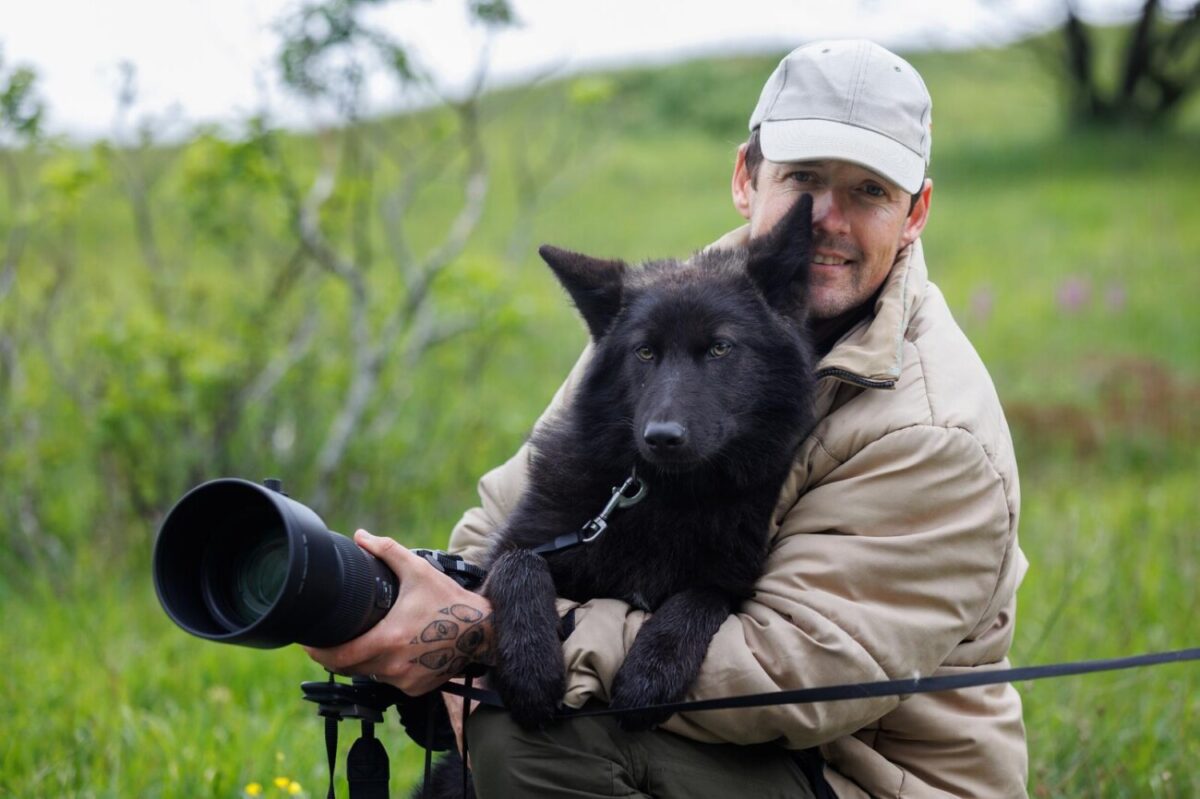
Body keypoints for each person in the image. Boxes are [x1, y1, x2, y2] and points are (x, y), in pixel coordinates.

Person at [307, 39, 1029, 798]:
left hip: (860, 772)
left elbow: (791, 674)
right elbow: (505, 516)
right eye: (804, 179)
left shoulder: (932, 428)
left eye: (870, 192)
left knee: (531, 740)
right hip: (731, 743)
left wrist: (495, 636)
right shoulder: (655, 321)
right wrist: (449, 616)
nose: (826, 220)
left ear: (916, 211)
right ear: (745, 179)